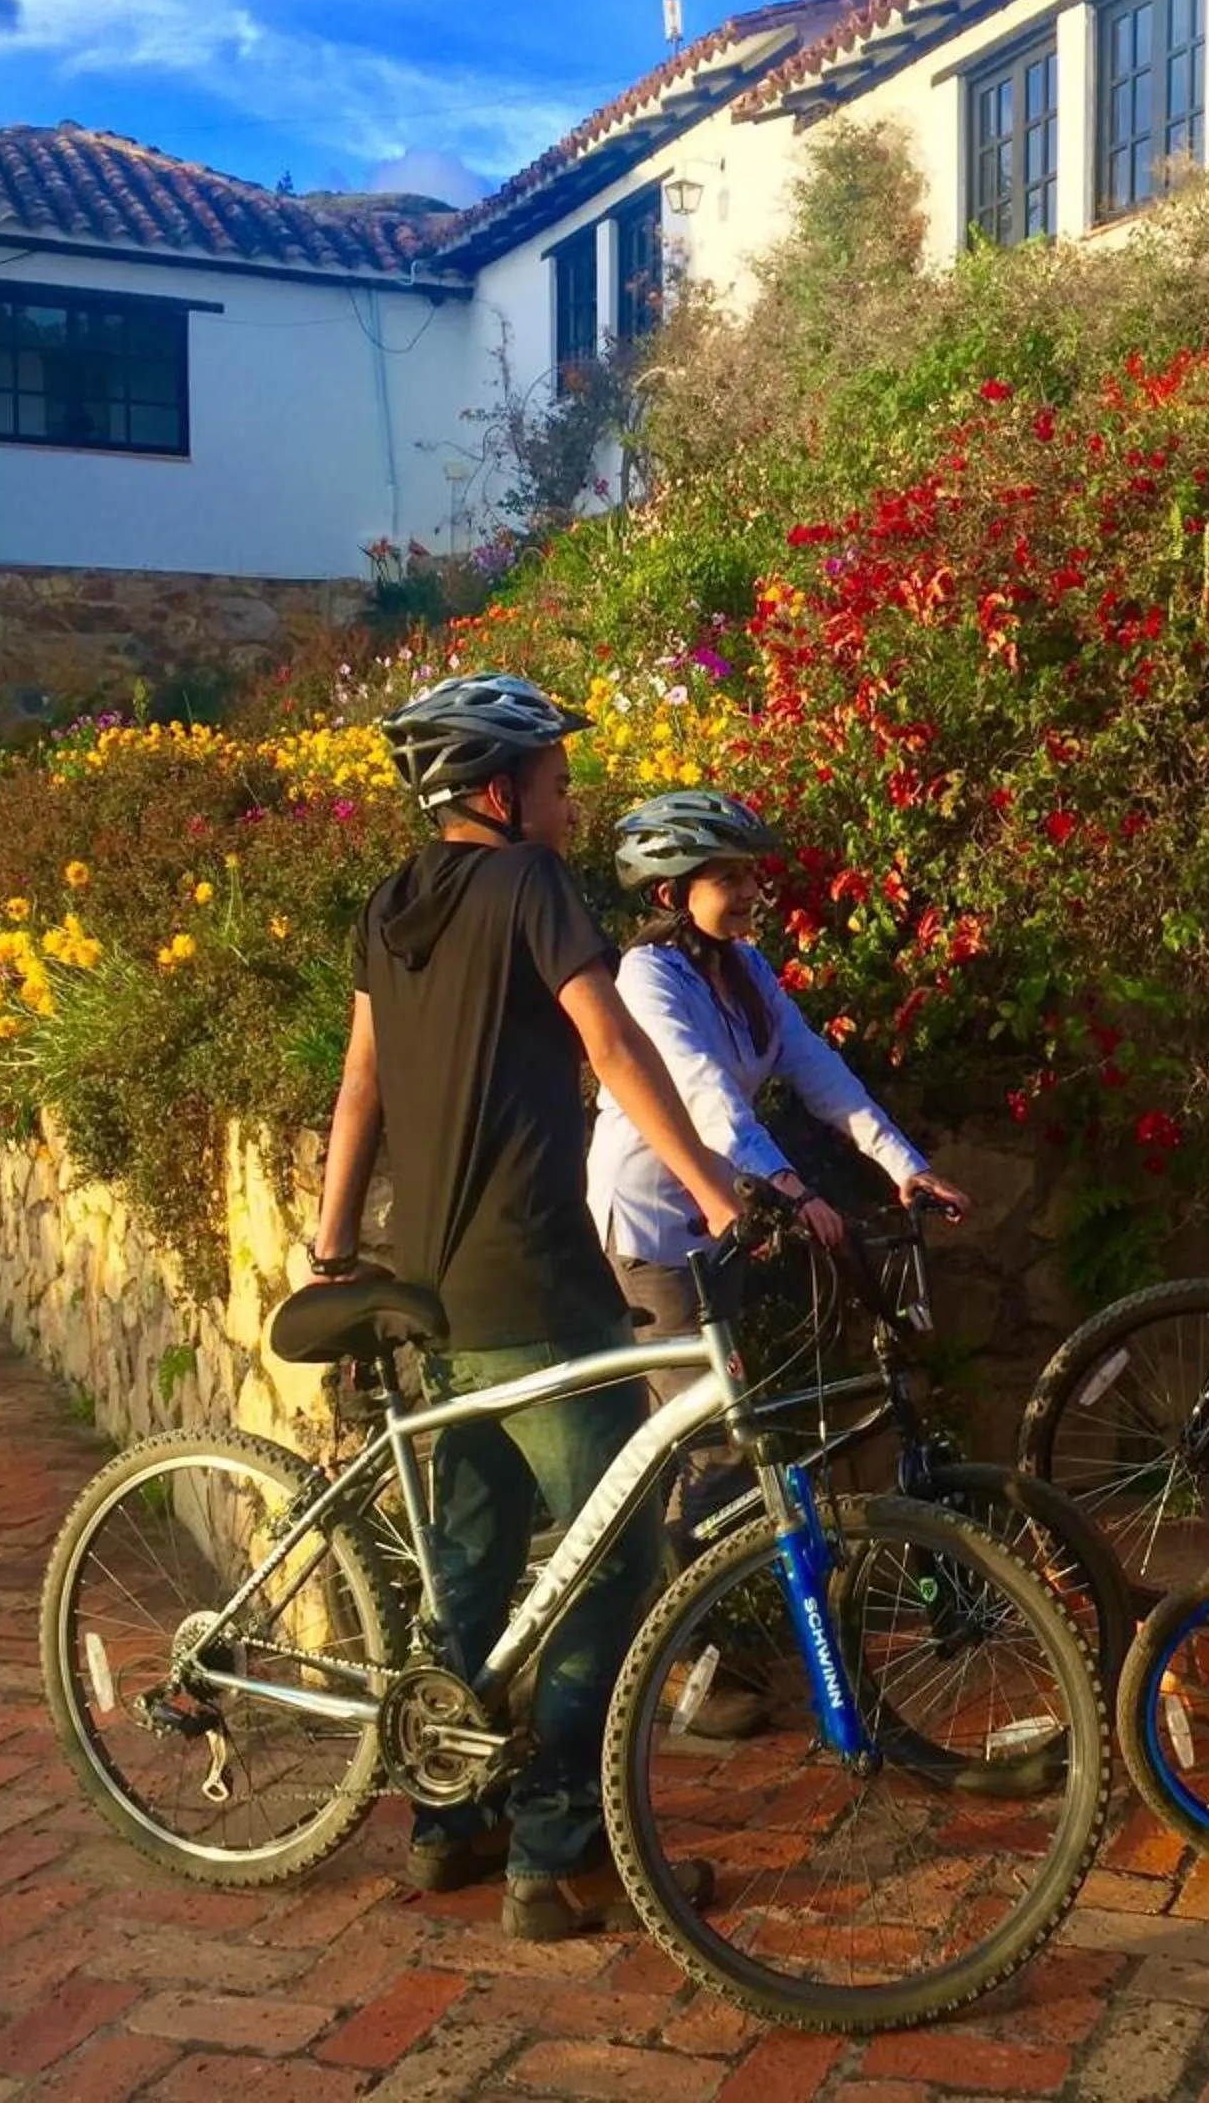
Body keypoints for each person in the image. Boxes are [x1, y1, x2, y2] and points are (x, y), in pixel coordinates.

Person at [305, 671, 740, 1937]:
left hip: (429, 1292)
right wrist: (716, 1196)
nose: (568, 797)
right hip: (539, 1285)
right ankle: (557, 1855)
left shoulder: (391, 907)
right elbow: (612, 1045)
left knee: (472, 1573)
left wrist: (339, 1247)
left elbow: (358, 1092)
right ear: (497, 793)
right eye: (554, 778)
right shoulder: (534, 888)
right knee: (617, 1566)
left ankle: (450, 1826)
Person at [586, 787, 969, 1340]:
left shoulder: (746, 966)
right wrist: (792, 1189)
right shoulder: (646, 978)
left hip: (722, 1220)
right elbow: (706, 1097)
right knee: (704, 1413)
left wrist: (904, 1165)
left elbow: (817, 1066)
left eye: (750, 875)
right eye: (728, 880)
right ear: (673, 894)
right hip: (653, 1227)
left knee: (734, 1398)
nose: (750, 892)